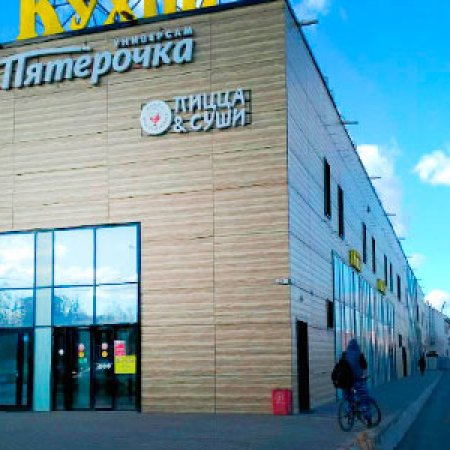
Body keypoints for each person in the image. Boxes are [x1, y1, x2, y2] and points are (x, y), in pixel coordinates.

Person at [343, 339, 372, 426]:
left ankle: (349, 414)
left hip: (346, 381)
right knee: (364, 398)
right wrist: (365, 376)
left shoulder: (344, 354)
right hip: (358, 380)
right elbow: (365, 367)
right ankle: (368, 420)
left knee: (347, 398)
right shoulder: (360, 355)